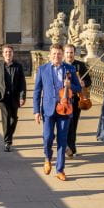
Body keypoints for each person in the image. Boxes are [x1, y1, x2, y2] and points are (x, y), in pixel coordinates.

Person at [34, 43, 82, 181]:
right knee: (48, 137)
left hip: (65, 109)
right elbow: (37, 91)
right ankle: (47, 158)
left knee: (62, 140)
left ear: (62, 55)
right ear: (50, 55)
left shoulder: (70, 69)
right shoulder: (42, 69)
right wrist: (36, 111)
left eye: (59, 54)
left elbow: (78, 88)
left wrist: (70, 85)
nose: (57, 56)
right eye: (54, 54)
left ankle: (60, 169)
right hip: (48, 109)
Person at [0, 44, 26, 152]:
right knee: (6, 117)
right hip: (2, 97)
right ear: (3, 54)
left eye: (10, 52)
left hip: (14, 97)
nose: (8, 54)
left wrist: (22, 97)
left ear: (12, 54)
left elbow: (22, 83)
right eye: (6, 52)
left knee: (14, 118)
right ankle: (7, 141)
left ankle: (8, 136)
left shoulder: (18, 66)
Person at [63, 43, 91, 157]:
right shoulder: (61, 66)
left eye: (71, 52)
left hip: (77, 98)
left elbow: (89, 81)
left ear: (74, 53)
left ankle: (72, 148)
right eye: (67, 52)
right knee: (65, 124)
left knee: (73, 124)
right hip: (64, 99)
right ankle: (65, 145)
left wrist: (84, 83)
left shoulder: (80, 66)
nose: (69, 55)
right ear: (64, 54)